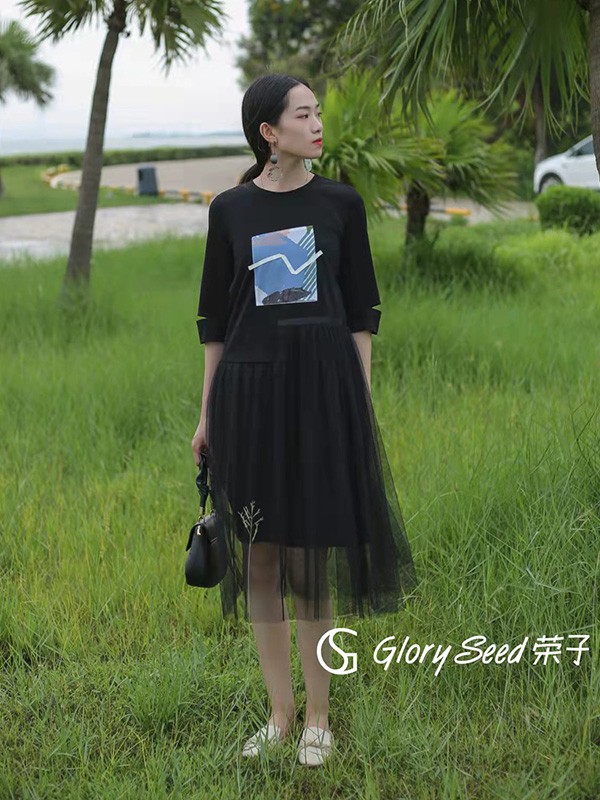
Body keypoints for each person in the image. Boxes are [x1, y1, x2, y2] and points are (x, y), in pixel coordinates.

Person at [191, 73, 418, 766]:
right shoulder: (230, 209)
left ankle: (319, 717)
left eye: (318, 112)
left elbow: (362, 312)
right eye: (303, 114)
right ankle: (280, 714)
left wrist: (360, 397)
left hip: (322, 395)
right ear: (269, 132)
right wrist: (206, 415)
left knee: (309, 560)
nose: (318, 123)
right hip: (248, 398)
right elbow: (213, 323)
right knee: (260, 558)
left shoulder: (340, 203)